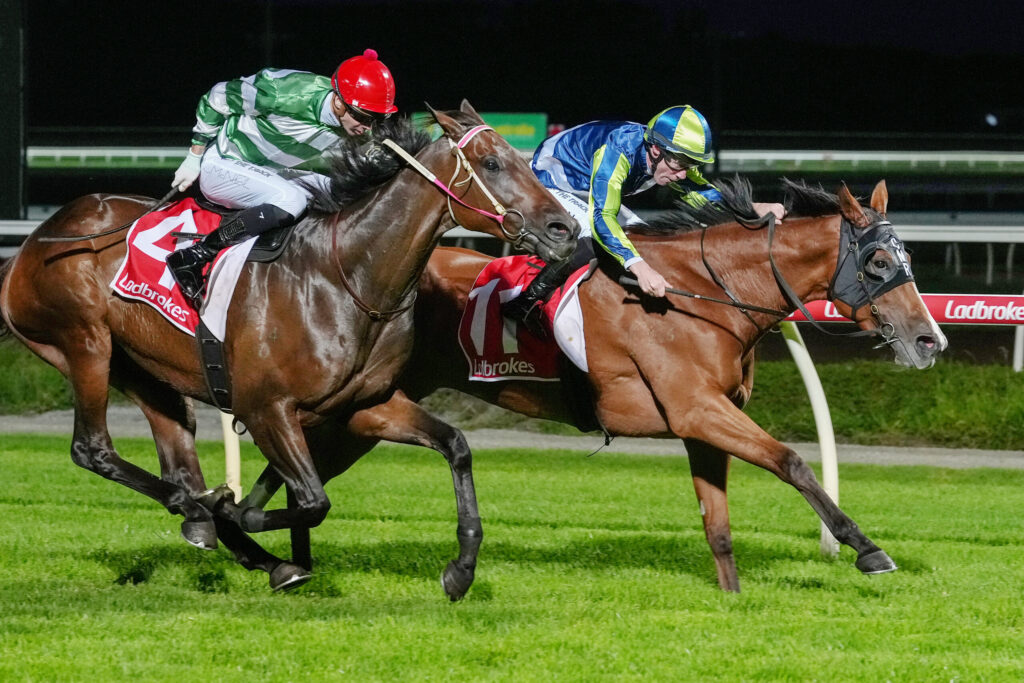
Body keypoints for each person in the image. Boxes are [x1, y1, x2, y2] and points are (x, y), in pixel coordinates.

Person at [503, 105, 786, 336]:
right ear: (655, 150)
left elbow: (700, 195)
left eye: (692, 165)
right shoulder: (619, 151)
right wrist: (640, 269)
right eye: (679, 163)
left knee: (645, 237)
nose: (683, 174)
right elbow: (603, 217)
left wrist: (752, 207)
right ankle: (527, 303)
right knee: (593, 237)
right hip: (548, 181)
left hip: (584, 186)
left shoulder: (670, 159)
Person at [166, 48, 398, 308]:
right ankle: (196, 255)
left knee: (342, 192)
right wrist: (194, 155)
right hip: (224, 165)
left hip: (272, 173)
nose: (368, 128)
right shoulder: (282, 91)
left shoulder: (357, 122)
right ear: (339, 101)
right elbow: (216, 98)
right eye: (365, 118)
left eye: (378, 119)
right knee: (292, 199)